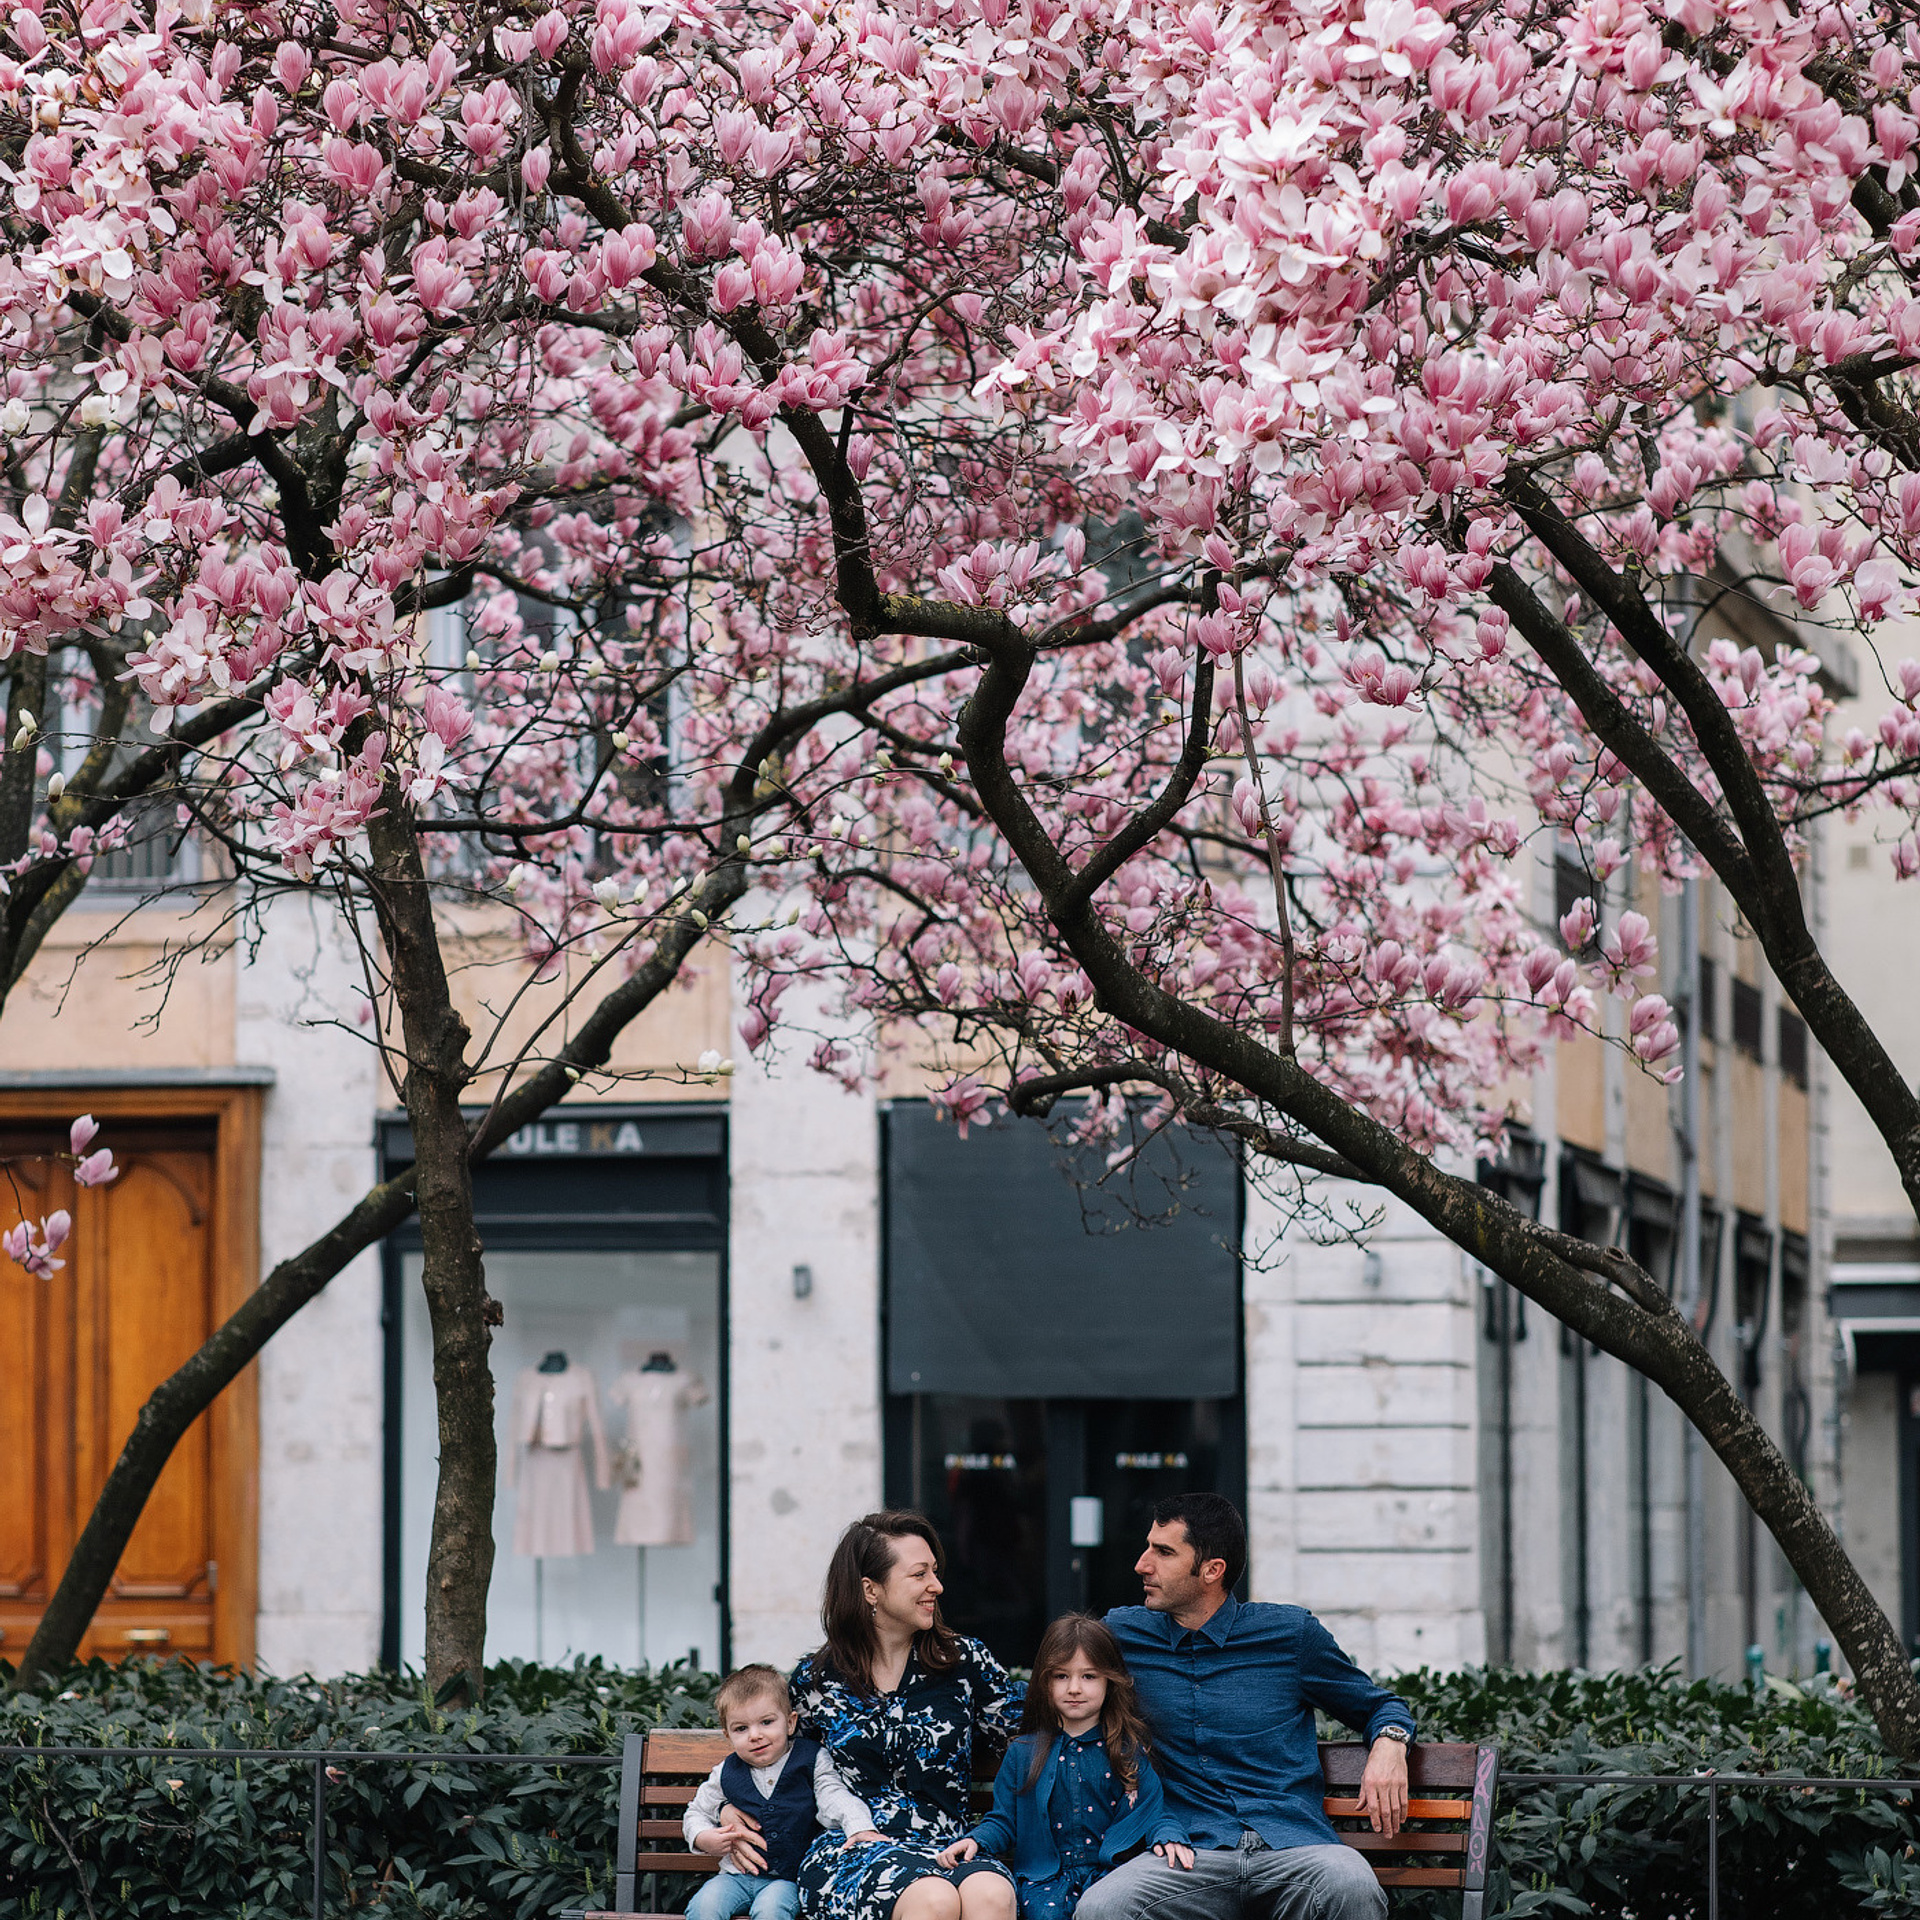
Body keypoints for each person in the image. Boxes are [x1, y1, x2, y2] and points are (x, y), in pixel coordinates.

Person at [1077, 1493, 1414, 1920]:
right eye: (1148, 1548)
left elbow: (1379, 1707)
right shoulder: (1123, 1634)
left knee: (1350, 1884)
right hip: (1183, 1853)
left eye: (1163, 1552)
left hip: (1294, 1848)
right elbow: (1051, 1689)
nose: (1142, 1565)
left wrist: (1390, 1744)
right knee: (1103, 1907)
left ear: (1211, 1571)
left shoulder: (1290, 1635)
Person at [702, 1511, 1025, 1920]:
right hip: (854, 1848)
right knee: (934, 1900)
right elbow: (773, 1761)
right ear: (871, 1590)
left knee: (991, 1895)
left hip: (949, 1842)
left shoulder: (964, 1663)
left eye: (935, 1572)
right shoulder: (818, 1680)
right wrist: (726, 1808)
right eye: (919, 1574)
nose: (936, 1586)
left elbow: (1029, 1740)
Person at [935, 1613, 1192, 1920]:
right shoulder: (1023, 1753)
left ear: (1111, 1681)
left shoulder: (1126, 1750)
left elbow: (1152, 1812)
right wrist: (976, 1839)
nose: (1074, 1688)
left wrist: (1168, 1834)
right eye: (1061, 1676)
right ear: (1044, 1681)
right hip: (1044, 1885)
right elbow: (1004, 1820)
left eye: (1089, 1676)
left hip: (1112, 1876)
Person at [685, 1663, 885, 1920]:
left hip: (789, 1878)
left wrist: (859, 1826)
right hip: (734, 1877)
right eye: (741, 1729)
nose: (755, 1735)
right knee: (704, 1906)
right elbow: (697, 1812)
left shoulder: (811, 1760)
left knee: (771, 1910)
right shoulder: (725, 1771)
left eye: (767, 1722)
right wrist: (703, 1837)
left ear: (790, 1723)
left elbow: (834, 1796)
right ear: (727, 1735)